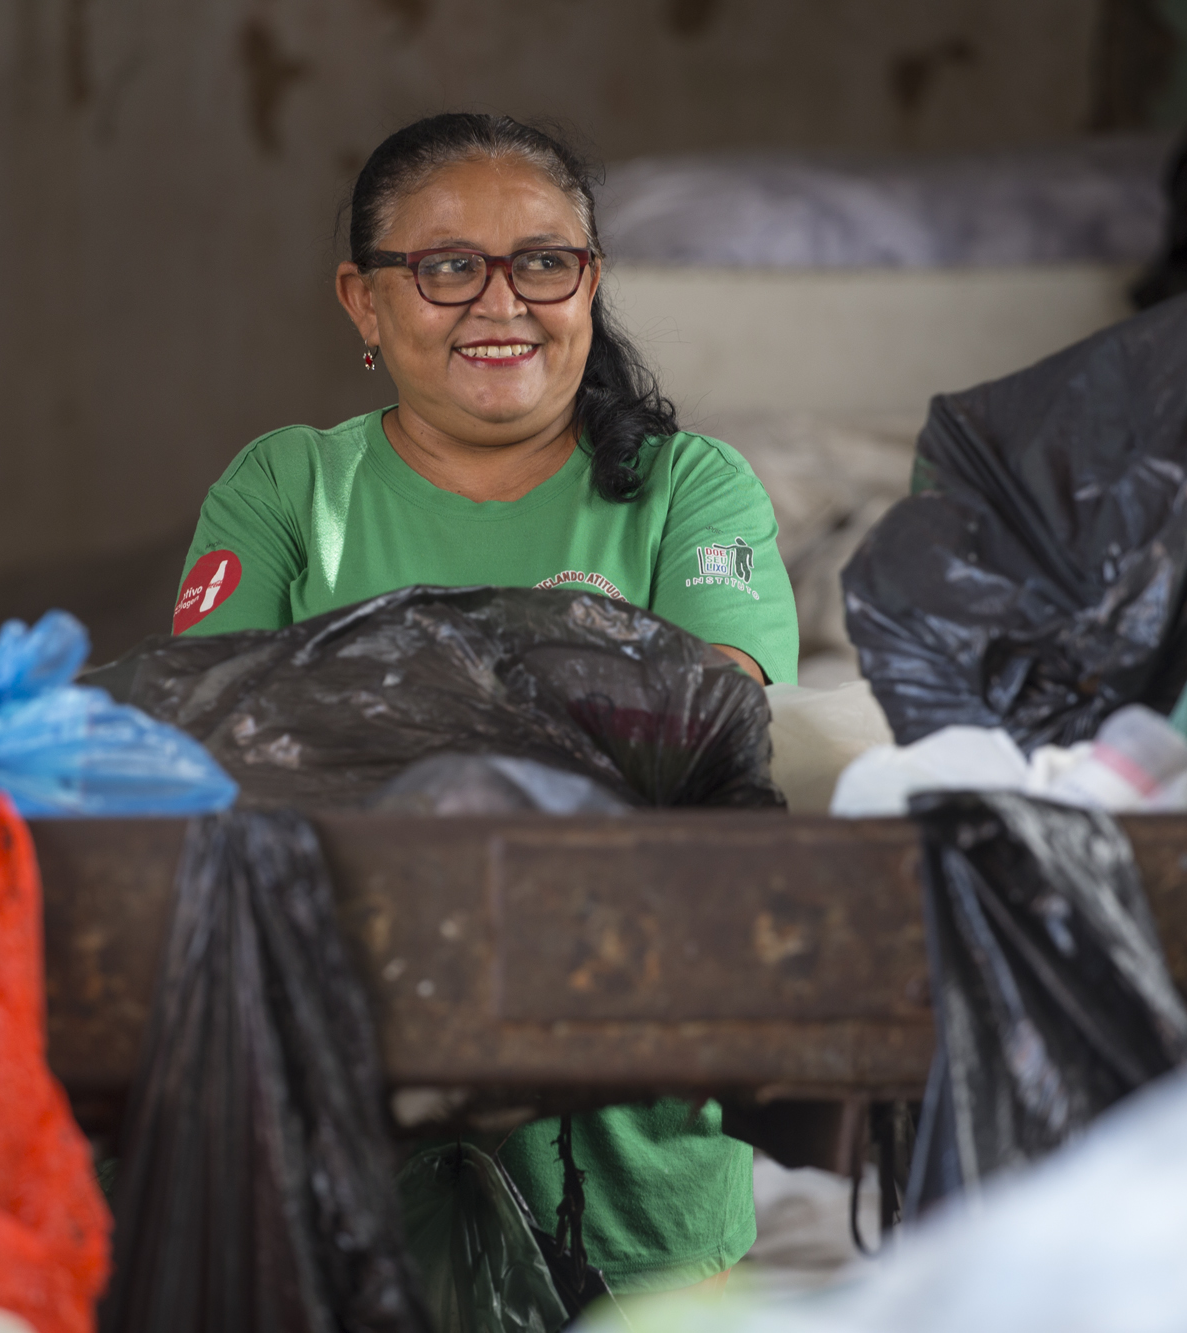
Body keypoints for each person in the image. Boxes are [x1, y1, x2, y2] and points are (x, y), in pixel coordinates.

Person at [173, 112, 798, 1296]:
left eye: (542, 262)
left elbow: (713, 721)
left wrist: (379, 706)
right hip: (341, 1096)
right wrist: (573, 692)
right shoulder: (287, 486)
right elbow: (217, 729)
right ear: (363, 301)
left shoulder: (686, 487)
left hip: (632, 1123)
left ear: (589, 284)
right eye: (447, 266)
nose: (499, 302)